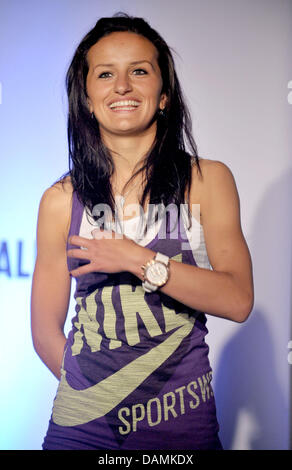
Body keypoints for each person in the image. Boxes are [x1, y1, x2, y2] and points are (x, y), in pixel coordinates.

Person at [31, 13, 254, 450]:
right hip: (82, 429)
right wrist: (97, 396)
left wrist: (137, 258)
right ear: (88, 97)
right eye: (105, 74)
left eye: (138, 71)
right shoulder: (60, 198)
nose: (122, 87)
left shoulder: (207, 180)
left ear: (164, 94)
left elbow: (238, 300)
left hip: (182, 428)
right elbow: (43, 331)